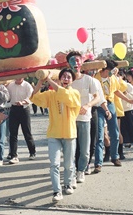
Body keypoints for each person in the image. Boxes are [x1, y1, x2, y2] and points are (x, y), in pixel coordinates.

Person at [30, 68, 80, 202]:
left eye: (68, 77)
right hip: (54, 134)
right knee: (54, 164)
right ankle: (57, 191)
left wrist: (50, 80)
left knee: (69, 163)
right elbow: (34, 98)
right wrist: (41, 82)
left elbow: (66, 97)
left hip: (69, 133)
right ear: (59, 78)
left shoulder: (75, 93)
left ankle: (68, 183)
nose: (65, 79)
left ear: (72, 80)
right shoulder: (51, 94)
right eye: (63, 76)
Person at [93, 59, 133, 173]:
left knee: (115, 132)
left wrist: (128, 100)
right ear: (106, 69)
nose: (114, 72)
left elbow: (117, 91)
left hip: (111, 104)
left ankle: (115, 156)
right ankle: (98, 163)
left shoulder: (112, 78)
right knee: (100, 135)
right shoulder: (95, 78)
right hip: (98, 106)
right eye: (112, 70)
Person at [66, 51, 100, 184]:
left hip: (85, 119)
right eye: (73, 61)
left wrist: (87, 105)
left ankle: (81, 170)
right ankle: (73, 172)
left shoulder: (89, 80)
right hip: (70, 120)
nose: (76, 63)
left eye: (78, 60)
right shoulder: (66, 79)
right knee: (71, 149)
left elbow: (97, 97)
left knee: (85, 150)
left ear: (82, 63)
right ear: (68, 63)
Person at [6, 78, 36, 164]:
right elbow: (8, 97)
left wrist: (23, 102)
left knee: (27, 131)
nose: (19, 78)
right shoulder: (10, 85)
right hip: (13, 109)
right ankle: (13, 155)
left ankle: (32, 152)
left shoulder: (27, 85)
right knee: (13, 133)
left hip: (24, 109)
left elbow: (30, 97)